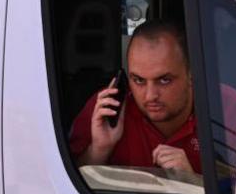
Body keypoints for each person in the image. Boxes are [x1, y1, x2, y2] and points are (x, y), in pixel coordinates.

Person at [70, 20, 202, 173]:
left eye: (164, 80)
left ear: (191, 74)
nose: (150, 95)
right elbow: (60, 185)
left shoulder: (225, 108)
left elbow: (234, 190)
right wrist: (99, 148)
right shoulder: (107, 108)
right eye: (139, 80)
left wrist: (192, 181)